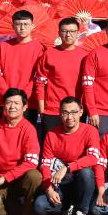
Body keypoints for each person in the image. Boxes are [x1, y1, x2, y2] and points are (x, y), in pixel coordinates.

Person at [33, 96, 102, 215]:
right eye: (65, 112)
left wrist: (67, 167)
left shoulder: (90, 131)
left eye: (74, 112)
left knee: (86, 172)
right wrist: (49, 189)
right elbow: (45, 164)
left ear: (81, 112)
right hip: (61, 184)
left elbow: (93, 158)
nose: (69, 117)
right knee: (40, 206)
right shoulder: (52, 134)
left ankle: (81, 213)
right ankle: (68, 206)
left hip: (81, 181)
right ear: (60, 113)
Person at [34, 17, 86, 145]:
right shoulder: (49, 54)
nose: (68, 34)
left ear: (78, 33)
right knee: (51, 146)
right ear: (59, 33)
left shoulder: (85, 56)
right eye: (64, 31)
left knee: (75, 146)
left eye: (72, 31)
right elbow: (40, 83)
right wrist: (42, 109)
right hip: (52, 109)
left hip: (76, 110)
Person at [0, 9, 44, 124]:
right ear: (13, 26)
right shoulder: (3, 46)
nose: (22, 28)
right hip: (4, 101)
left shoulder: (39, 48)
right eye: (18, 24)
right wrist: (8, 96)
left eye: (26, 24)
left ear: (32, 26)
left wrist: (22, 97)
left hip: (27, 103)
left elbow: (37, 77)